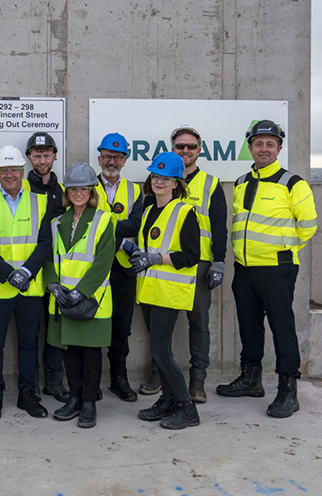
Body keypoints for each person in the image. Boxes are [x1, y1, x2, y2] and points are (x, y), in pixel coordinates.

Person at [216, 120, 318, 418]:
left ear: (279, 148)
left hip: (277, 269)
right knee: (248, 325)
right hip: (245, 269)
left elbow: (308, 225)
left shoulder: (292, 183)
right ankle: (250, 379)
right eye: (258, 143)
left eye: (270, 144)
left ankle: (288, 389)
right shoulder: (241, 182)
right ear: (250, 147)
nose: (264, 148)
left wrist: (285, 251)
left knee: (281, 327)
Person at [0, 145, 52, 420]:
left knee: (29, 341)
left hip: (30, 286)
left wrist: (27, 272)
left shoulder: (40, 201)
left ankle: (27, 393)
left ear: (23, 171)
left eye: (14, 170)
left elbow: (45, 243)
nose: (10, 175)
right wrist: (9, 273)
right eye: (4, 170)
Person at [157, 125, 228, 403]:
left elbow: (219, 228)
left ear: (199, 150)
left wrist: (219, 262)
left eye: (191, 146)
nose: (185, 150)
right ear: (172, 149)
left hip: (198, 265)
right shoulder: (162, 180)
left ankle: (197, 380)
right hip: (164, 264)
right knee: (161, 324)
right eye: (180, 146)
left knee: (198, 323)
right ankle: (158, 374)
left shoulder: (211, 184)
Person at [43, 162, 115, 429]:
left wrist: (80, 292)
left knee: (90, 353)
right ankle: (73, 398)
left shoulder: (105, 220)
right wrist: (53, 286)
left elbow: (103, 262)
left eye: (83, 188)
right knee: (70, 352)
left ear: (91, 191)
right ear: (67, 192)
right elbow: (49, 259)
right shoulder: (56, 223)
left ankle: (89, 403)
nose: (78, 193)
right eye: (73, 188)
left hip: (91, 301)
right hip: (63, 300)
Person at [132, 152, 201, 430]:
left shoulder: (185, 212)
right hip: (149, 291)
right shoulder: (149, 210)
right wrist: (136, 252)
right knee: (160, 350)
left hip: (169, 293)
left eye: (166, 178)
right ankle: (169, 402)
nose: (159, 181)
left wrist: (157, 259)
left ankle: (187, 408)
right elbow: (149, 249)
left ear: (176, 183)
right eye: (156, 176)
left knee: (161, 353)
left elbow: (191, 255)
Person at [92, 133, 142, 402]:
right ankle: (93, 381)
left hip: (124, 269)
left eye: (117, 157)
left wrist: (108, 229)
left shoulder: (135, 190)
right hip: (95, 267)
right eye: (107, 156)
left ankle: (119, 379)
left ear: (124, 161)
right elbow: (86, 221)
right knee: (94, 323)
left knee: (121, 327)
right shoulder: (87, 186)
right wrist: (120, 238)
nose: (112, 161)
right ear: (99, 158)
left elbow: (135, 224)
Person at [22, 132, 70, 403]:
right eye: (37, 155)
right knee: (29, 331)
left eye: (47, 154)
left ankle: (54, 381)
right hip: (29, 270)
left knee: (55, 327)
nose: (42, 159)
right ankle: (29, 384)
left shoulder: (64, 191)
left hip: (57, 270)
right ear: (29, 158)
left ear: (54, 157)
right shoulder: (21, 189)